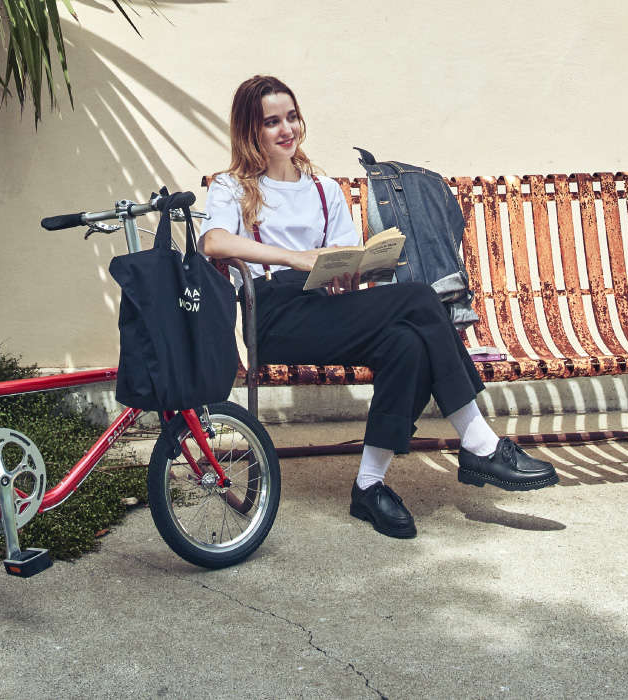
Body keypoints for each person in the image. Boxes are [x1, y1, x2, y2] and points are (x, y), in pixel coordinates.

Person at [200, 75, 558, 539]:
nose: (286, 129)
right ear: (252, 131)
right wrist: (294, 257)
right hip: (273, 314)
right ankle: (478, 442)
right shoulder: (233, 186)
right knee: (419, 298)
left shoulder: (323, 190)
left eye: (291, 116)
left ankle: (369, 486)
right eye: (272, 122)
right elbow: (214, 241)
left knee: (406, 343)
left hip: (325, 308)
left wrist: (349, 273)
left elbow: (343, 260)